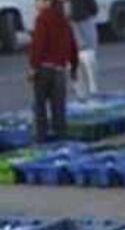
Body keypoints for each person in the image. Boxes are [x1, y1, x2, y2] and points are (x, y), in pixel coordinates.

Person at [28, 0, 77, 144]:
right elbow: (72, 45)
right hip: (60, 70)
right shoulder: (64, 20)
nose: (36, 4)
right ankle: (61, 140)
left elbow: (39, 45)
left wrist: (33, 67)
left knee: (40, 107)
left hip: (43, 69)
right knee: (59, 108)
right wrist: (74, 67)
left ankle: (41, 139)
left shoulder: (42, 19)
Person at [68, 0, 98, 98]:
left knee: (74, 58)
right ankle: (92, 88)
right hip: (84, 18)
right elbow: (92, 6)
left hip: (71, 20)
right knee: (89, 53)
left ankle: (80, 90)